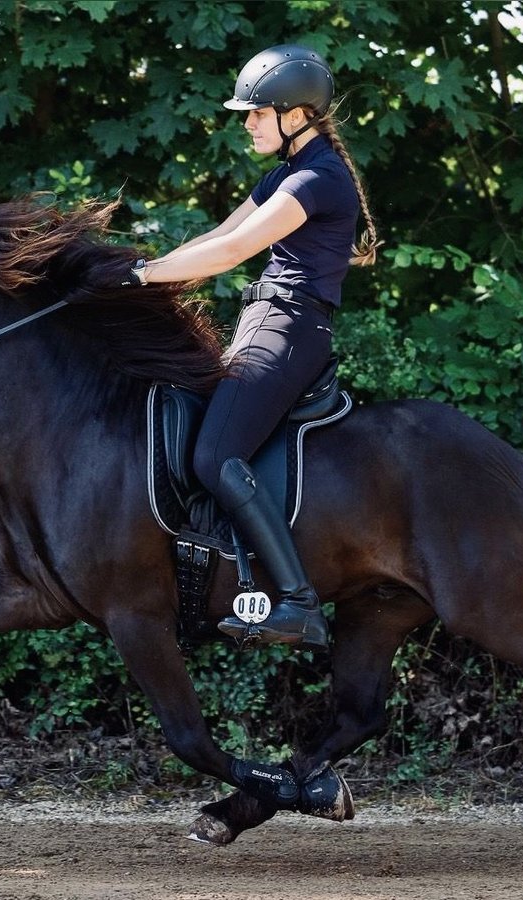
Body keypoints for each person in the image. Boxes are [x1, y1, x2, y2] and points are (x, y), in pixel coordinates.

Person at [117, 44, 379, 651]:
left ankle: (297, 603)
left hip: (288, 327)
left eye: (258, 113)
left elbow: (236, 253)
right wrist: (143, 271)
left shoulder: (317, 180)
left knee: (215, 455)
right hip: (265, 320)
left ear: (297, 116)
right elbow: (219, 235)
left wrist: (145, 277)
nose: (247, 122)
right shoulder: (285, 174)